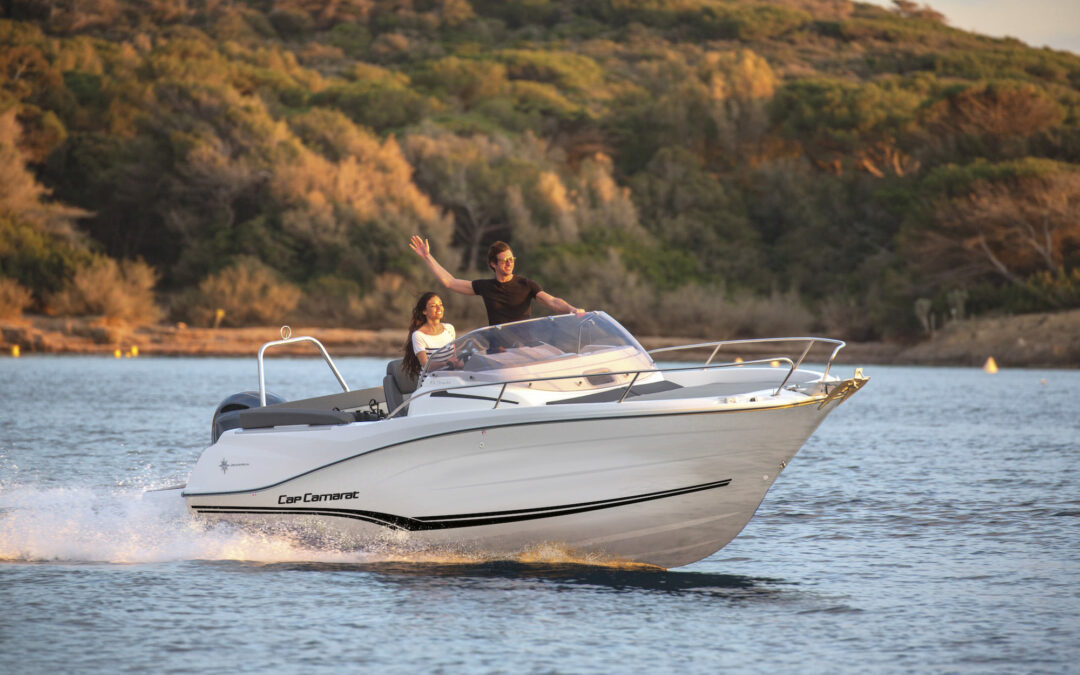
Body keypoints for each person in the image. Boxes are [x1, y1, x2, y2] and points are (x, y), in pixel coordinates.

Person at [409, 235, 584, 325]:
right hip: (499, 351)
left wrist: (572, 309)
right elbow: (450, 282)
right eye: (504, 260)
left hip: (525, 347)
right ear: (493, 264)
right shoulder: (485, 286)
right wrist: (427, 257)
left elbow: (552, 301)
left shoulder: (526, 284)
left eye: (511, 259)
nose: (509, 263)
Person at [402, 292, 456, 380]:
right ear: (424, 311)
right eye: (433, 306)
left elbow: (454, 358)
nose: (439, 308)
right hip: (429, 384)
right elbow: (426, 366)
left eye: (440, 304)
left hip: (450, 380)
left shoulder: (449, 328)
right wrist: (447, 363)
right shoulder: (418, 335)